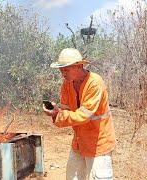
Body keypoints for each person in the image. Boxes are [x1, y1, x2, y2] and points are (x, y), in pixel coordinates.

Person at [43, 48, 117, 180]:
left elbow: (84, 116)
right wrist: (56, 113)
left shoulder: (95, 83)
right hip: (79, 142)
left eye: (66, 69)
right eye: (61, 69)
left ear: (79, 66)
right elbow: (66, 111)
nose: (63, 73)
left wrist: (58, 115)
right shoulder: (67, 84)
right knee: (73, 177)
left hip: (98, 143)